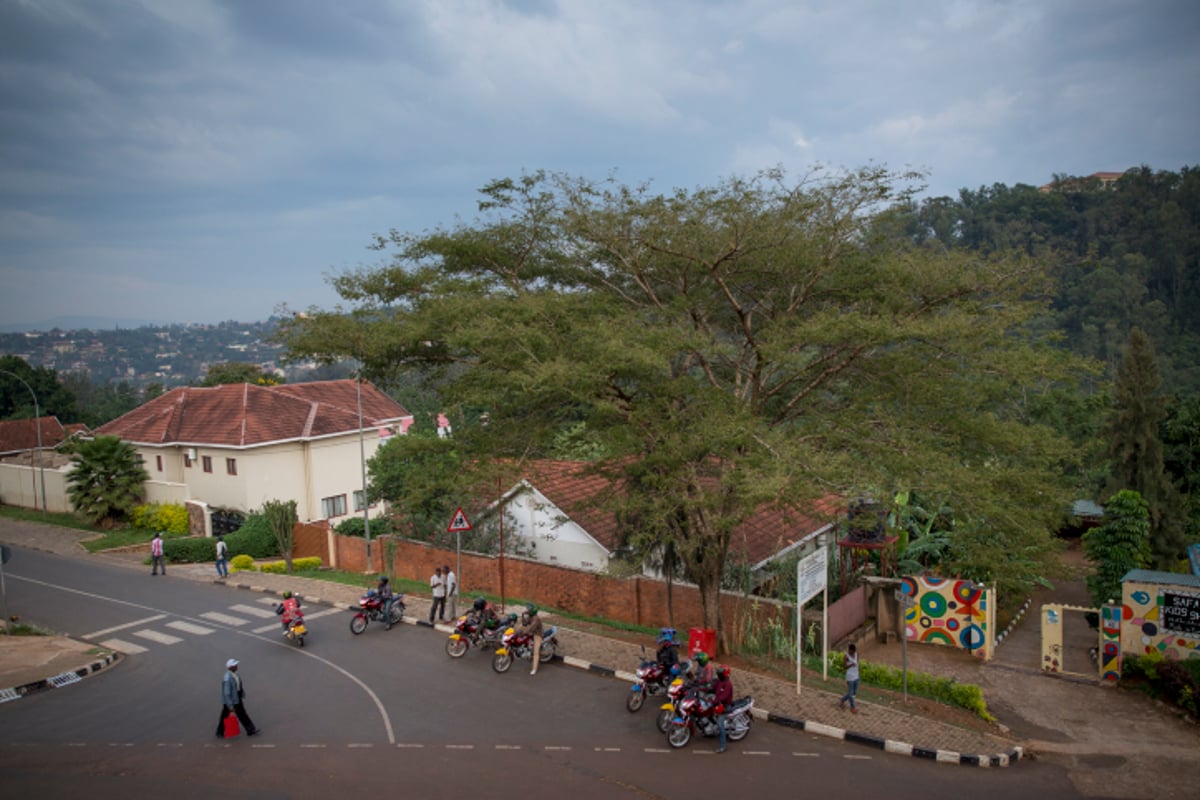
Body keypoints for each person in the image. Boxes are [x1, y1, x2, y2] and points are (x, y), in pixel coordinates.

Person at [216, 658, 259, 737]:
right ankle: (220, 732)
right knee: (226, 715)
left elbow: (238, 686)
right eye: (235, 665)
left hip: (237, 698)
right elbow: (227, 693)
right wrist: (230, 706)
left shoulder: (235, 674)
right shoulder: (227, 678)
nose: (236, 666)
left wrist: (241, 693)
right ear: (230, 667)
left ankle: (250, 730)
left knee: (242, 714)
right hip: (231, 700)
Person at [712, 665, 734, 753]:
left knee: (720, 724)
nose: (718, 675)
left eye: (720, 673)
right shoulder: (719, 681)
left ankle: (723, 746)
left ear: (725, 674)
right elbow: (713, 688)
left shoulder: (728, 684)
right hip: (719, 703)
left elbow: (723, 697)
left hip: (725, 706)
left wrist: (713, 701)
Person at [520, 604, 544, 675]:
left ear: (532, 611)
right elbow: (524, 624)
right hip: (532, 633)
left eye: (528, 610)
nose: (527, 610)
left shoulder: (536, 619)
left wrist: (524, 632)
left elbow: (531, 628)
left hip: (537, 634)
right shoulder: (530, 617)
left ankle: (534, 669)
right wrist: (522, 615)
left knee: (536, 653)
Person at [839, 643, 860, 714]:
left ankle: (842, 699)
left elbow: (858, 664)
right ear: (850, 650)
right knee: (851, 694)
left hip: (856, 676)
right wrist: (851, 665)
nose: (853, 653)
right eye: (852, 652)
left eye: (854, 652)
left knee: (854, 692)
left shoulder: (857, 654)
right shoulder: (846, 656)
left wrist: (858, 671)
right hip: (850, 677)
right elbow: (844, 667)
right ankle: (852, 707)